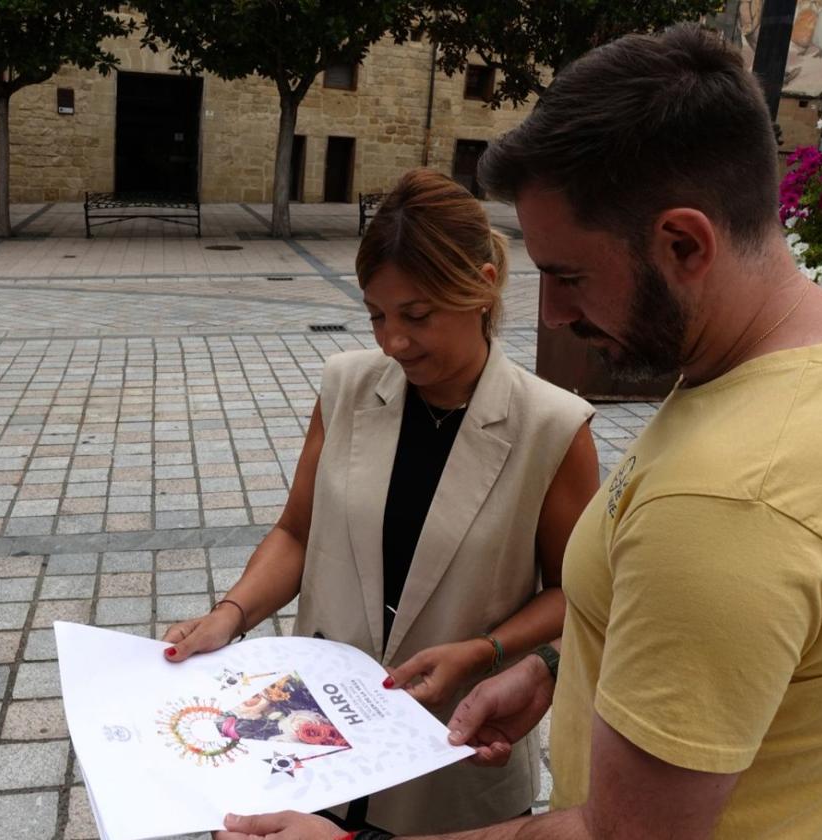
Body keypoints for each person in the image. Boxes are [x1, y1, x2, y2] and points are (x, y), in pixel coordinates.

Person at [216, 23, 822, 840]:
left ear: (684, 243)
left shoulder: (727, 504)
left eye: (568, 275)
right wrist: (553, 669)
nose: (547, 314)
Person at [163, 167, 599, 833]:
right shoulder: (346, 386)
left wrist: (485, 651)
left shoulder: (553, 426)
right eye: (376, 315)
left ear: (482, 289)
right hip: (313, 732)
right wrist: (231, 613)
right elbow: (297, 533)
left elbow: (577, 592)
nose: (393, 341)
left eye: (417, 315)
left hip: (453, 746)